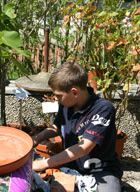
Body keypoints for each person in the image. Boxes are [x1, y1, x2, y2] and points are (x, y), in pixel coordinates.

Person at [32, 60, 122, 191]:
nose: (56, 98)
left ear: (74, 92)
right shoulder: (66, 104)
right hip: (70, 167)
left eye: (58, 95)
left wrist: (44, 163)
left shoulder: (103, 109)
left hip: (101, 171)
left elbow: (84, 147)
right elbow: (57, 126)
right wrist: (37, 138)